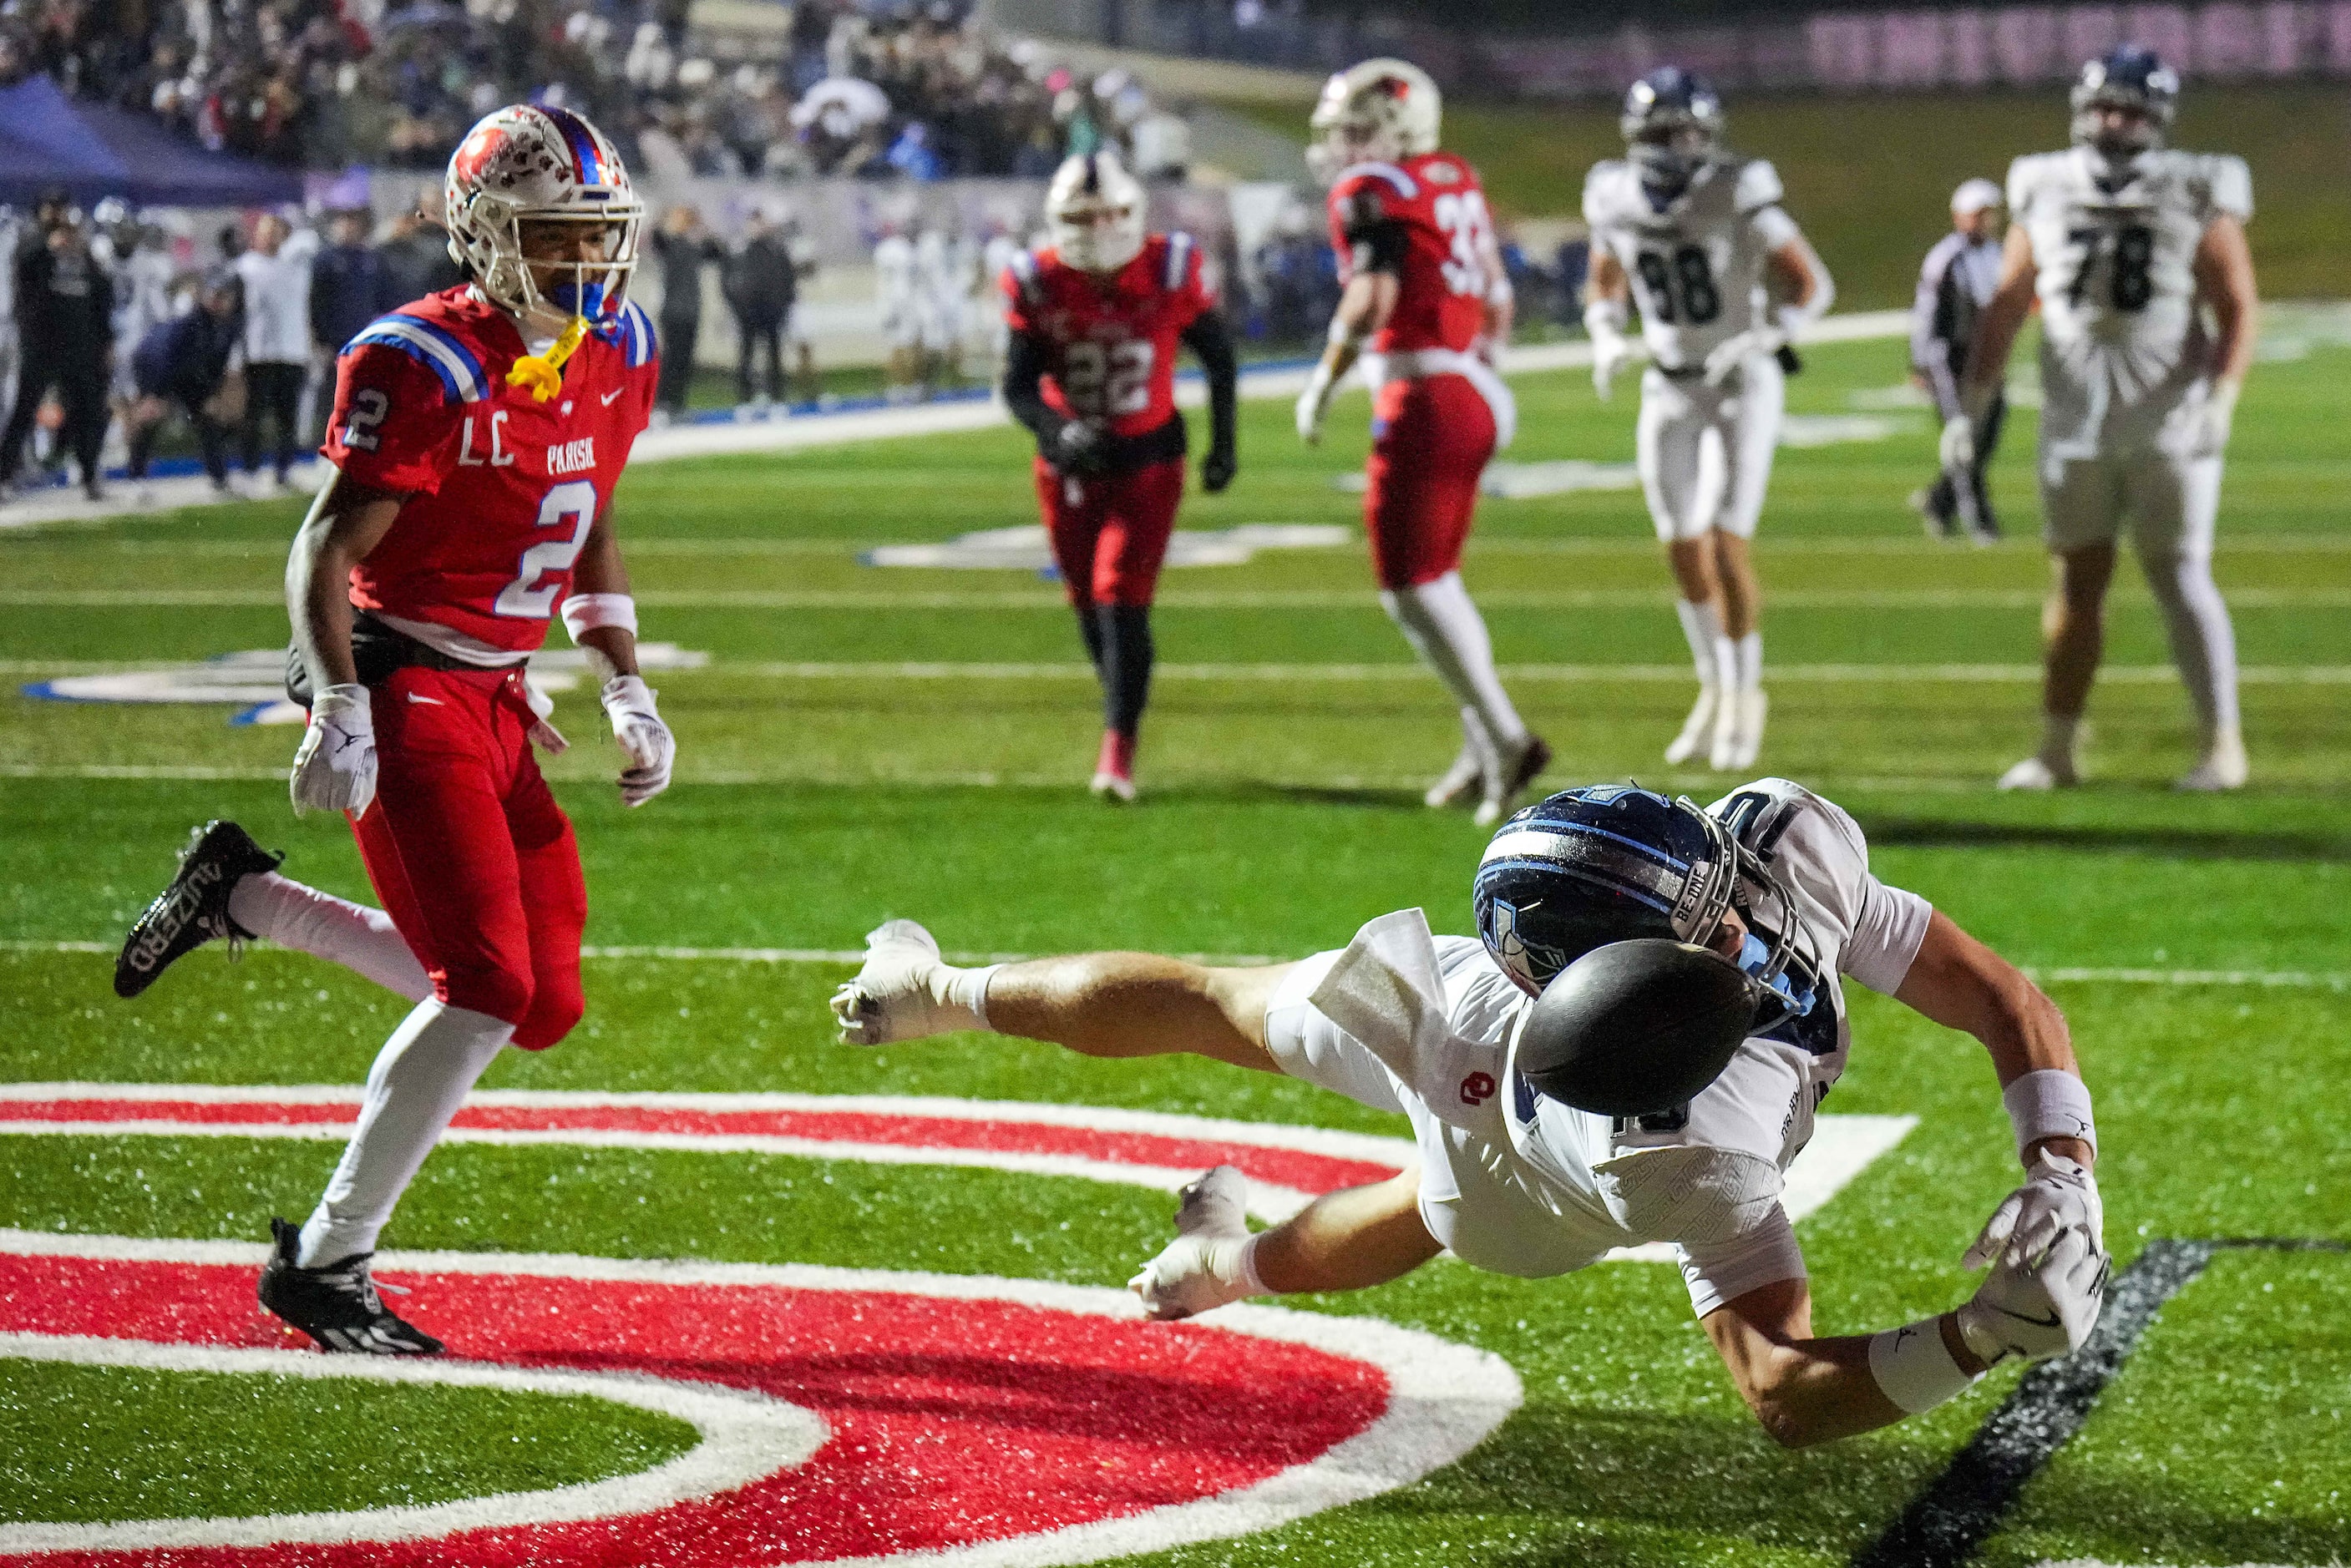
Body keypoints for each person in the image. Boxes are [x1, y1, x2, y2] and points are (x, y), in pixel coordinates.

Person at [832, 776, 2109, 1449]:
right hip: (1512, 1115)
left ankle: (954, 1005)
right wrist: (1978, 1334)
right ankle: (1198, 1240)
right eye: (1696, 929)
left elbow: (1998, 992)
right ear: (1602, 983)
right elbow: (1778, 1392)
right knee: (1441, 1197)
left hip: (1482, 1017)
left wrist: (2061, 1166)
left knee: (1253, 1032)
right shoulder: (1678, 1143)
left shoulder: (1779, 856)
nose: (1737, 923)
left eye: (1716, 891)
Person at [114, 104, 674, 1357]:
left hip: (494, 690)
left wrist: (621, 678)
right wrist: (340, 699)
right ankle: (327, 1259)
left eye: (597, 231)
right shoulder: (423, 360)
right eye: (553, 232)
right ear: (484, 235)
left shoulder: (615, 342)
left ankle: (244, 896)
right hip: (402, 671)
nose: (586, 260)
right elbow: (326, 544)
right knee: (481, 986)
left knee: (542, 1002)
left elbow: (584, 504)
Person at [1947, 47, 2256, 794]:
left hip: (2168, 420)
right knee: (2074, 584)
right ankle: (2056, 750)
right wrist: (1971, 406)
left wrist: (2222, 397)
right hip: (2073, 420)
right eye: (2102, 106)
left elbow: (2236, 303)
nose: (2112, 121)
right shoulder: (2043, 183)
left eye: (2127, 109)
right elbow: (2009, 301)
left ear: (2155, 118)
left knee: (2180, 575)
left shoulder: (2193, 185)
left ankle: (2221, 746)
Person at [1292, 58, 1550, 827]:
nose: (1343, 145)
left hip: (1424, 394)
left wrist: (1323, 381)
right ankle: (1480, 743)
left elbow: (1372, 296)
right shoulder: (1449, 175)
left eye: (1358, 130)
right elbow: (1496, 294)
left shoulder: (1373, 192)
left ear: (1398, 128)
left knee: (1409, 585)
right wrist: (1477, 367)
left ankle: (1506, 737)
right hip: (1468, 385)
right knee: (1438, 578)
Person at [1583, 68, 1835, 775]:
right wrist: (1605, 331)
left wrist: (1767, 334)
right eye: (1664, 131)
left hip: (1737, 381)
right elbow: (1606, 274)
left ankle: (1744, 693)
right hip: (1668, 384)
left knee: (1726, 542)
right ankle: (1712, 683)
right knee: (1679, 544)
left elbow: (1812, 284)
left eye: (1688, 131)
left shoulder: (1736, 189)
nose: (1677, 144)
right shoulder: (1613, 192)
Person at [998, 152, 1239, 801]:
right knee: (1085, 603)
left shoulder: (1168, 267)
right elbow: (1016, 388)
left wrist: (1224, 446)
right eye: (1082, 216)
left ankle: (1117, 749)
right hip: (1069, 467)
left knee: (1119, 599)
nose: (1097, 228)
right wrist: (1055, 432)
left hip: (1148, 460)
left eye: (1107, 214)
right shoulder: (1038, 279)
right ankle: (1119, 714)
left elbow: (1218, 358)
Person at [1910, 180, 2009, 544]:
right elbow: (1926, 316)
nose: (1986, 221)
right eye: (1979, 214)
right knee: (1965, 440)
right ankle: (1979, 522)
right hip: (1950, 361)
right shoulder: (1946, 258)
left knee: (1988, 434)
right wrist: (1922, 365)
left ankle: (1938, 500)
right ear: (1960, 216)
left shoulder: (1997, 253)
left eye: (1989, 213)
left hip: (1987, 359)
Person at [0, 210, 114, 502]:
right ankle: (4, 476)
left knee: (86, 414)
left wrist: (106, 343)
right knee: (24, 413)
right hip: (43, 349)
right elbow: (23, 283)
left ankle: (89, 475)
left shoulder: (88, 263)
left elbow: (102, 304)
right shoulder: (39, 257)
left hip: (80, 351)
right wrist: (46, 249)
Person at [125, 270, 244, 496]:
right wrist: (153, 394)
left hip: (192, 377)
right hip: (159, 370)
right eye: (215, 295)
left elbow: (216, 365)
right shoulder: (188, 324)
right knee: (152, 420)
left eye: (224, 296)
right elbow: (164, 357)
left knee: (208, 421)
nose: (218, 301)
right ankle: (136, 477)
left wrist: (211, 394)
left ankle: (219, 479)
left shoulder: (229, 326)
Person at [232, 212, 317, 493]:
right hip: (259, 350)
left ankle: (284, 469)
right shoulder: (246, 267)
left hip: (292, 349)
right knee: (255, 414)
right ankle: (250, 468)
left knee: (287, 416)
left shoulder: (295, 265)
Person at [648, 205, 723, 417]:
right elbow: (656, 236)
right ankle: (662, 404)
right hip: (672, 309)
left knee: (685, 359)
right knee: (670, 359)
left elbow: (717, 251)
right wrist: (668, 220)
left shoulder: (694, 246)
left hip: (691, 309)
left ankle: (678, 403)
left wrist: (701, 226)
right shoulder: (669, 244)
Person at [722, 209, 798, 406]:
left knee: (774, 352)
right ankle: (745, 395)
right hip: (747, 313)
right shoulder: (740, 251)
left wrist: (783, 305)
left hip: (772, 312)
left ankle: (777, 394)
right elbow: (727, 280)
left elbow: (787, 280)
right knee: (747, 353)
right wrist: (736, 306)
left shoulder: (775, 250)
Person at [311, 210, 396, 362]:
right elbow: (318, 302)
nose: (348, 227)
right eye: (343, 222)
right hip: (335, 338)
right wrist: (322, 337)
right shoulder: (326, 261)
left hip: (365, 334)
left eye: (352, 222)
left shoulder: (372, 260)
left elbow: (385, 297)